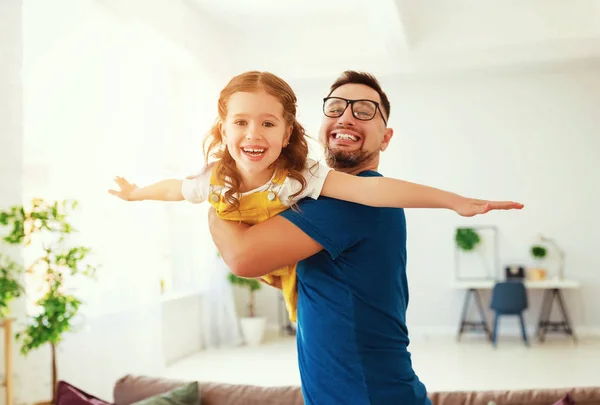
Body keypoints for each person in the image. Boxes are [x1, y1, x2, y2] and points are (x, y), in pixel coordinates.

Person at [108, 70, 522, 327]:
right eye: (337, 106)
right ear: (223, 129)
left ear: (286, 133)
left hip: (347, 358)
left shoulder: (306, 182)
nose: (254, 134)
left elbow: (371, 191)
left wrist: (455, 200)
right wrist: (136, 194)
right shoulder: (215, 176)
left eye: (364, 110)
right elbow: (173, 189)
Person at [206, 71, 523, 405]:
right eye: (336, 107)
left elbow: (243, 257)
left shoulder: (351, 203)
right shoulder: (319, 202)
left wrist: (217, 194)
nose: (346, 116)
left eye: (364, 110)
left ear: (385, 138)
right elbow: (301, 280)